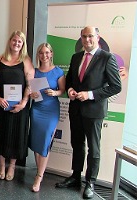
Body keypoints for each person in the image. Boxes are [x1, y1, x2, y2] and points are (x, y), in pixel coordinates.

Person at [55, 26, 121, 199]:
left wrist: (90, 95)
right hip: (76, 109)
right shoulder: (76, 57)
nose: (87, 40)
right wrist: (69, 90)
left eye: (90, 36)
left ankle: (90, 182)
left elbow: (116, 86)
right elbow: (70, 80)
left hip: (94, 111)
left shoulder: (107, 58)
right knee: (77, 144)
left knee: (94, 149)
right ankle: (76, 177)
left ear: (97, 37)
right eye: (84, 36)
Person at [0, 30, 34, 181]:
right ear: (10, 41)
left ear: (23, 44)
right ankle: (1, 164)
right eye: (14, 40)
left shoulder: (26, 61)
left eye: (19, 42)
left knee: (16, 135)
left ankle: (12, 166)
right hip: (2, 105)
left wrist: (23, 103)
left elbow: (30, 84)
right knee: (2, 134)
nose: (16, 43)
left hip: (19, 107)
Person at [28, 43, 65, 192]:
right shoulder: (35, 71)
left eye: (47, 52)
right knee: (37, 142)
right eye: (41, 53)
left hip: (51, 110)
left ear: (51, 54)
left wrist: (55, 93)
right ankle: (39, 171)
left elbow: (62, 90)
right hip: (37, 109)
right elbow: (30, 89)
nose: (44, 55)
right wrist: (31, 95)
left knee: (45, 142)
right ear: (38, 55)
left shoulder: (58, 71)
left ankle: (39, 176)